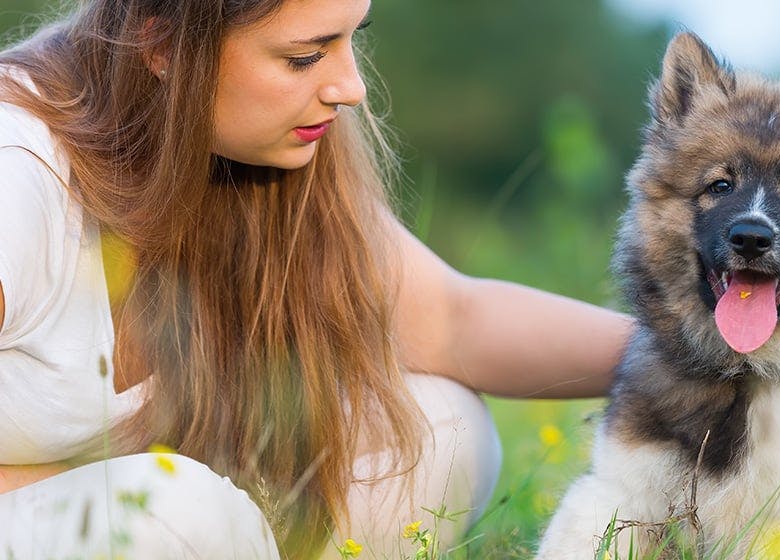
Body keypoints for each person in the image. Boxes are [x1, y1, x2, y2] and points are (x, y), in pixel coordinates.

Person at [0, 0, 631, 558]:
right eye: (305, 57)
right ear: (162, 47)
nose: (350, 87)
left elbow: (450, 318)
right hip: (94, 513)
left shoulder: (260, 156)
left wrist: (684, 359)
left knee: (446, 427)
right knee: (180, 510)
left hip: (168, 508)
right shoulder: (18, 173)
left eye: (352, 38)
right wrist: (118, 478)